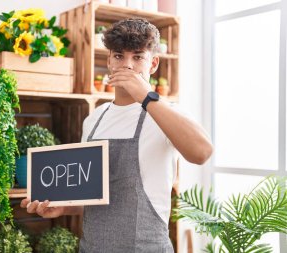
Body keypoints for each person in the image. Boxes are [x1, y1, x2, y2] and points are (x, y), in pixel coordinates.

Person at [21, 18, 213, 252]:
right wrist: (65, 207)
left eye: (138, 57)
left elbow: (202, 153)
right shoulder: (94, 119)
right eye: (119, 56)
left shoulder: (165, 113)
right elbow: (100, 198)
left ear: (153, 64)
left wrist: (147, 96)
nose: (127, 65)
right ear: (109, 61)